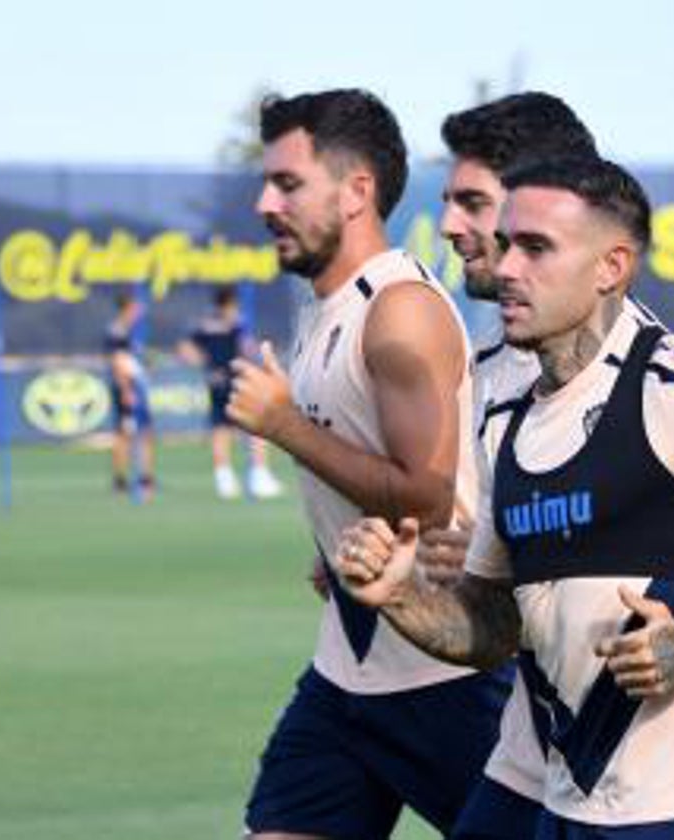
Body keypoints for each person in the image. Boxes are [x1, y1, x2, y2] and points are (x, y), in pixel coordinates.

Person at [333, 155, 674, 839]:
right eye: (507, 244)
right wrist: (399, 593)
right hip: (568, 802)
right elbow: (492, 628)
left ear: (611, 267)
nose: (507, 268)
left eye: (537, 248)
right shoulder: (506, 418)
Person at [226, 88, 511, 840]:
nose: (264, 201)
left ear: (357, 192)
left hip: (445, 679)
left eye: (287, 183)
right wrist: (338, 548)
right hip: (345, 676)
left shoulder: (400, 310)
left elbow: (427, 494)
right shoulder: (328, 305)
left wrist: (283, 425)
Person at [433, 92, 600, 840]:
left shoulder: (668, 381)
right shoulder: (490, 376)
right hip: (526, 757)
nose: (449, 226)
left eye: (473, 202)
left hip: (638, 781)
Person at [178, 286, 284, 499]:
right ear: (231, 303)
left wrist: (205, 364)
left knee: (220, 429)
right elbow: (246, 348)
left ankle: (224, 479)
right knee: (256, 426)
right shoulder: (237, 324)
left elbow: (185, 349)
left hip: (215, 382)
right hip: (234, 380)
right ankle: (258, 475)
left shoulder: (205, 325)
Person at [105, 291, 155, 499]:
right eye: (136, 307)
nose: (139, 311)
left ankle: (140, 477)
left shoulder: (129, 331)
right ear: (127, 308)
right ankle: (125, 480)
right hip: (128, 388)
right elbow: (117, 362)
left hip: (133, 386)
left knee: (139, 432)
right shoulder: (118, 332)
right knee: (127, 434)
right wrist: (126, 390)